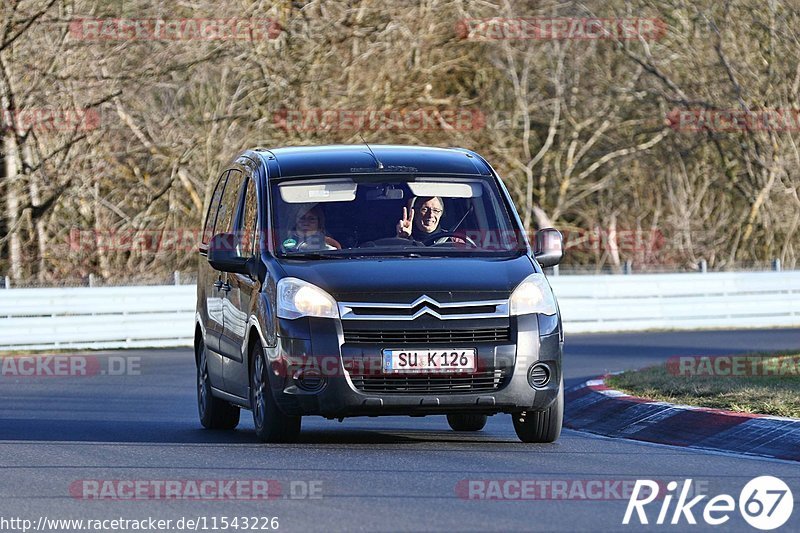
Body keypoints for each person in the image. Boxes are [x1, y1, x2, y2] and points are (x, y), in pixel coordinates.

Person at [396, 196, 460, 244]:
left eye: (436, 210)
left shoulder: (453, 241)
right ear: (415, 212)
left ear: (441, 214)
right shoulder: (404, 238)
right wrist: (402, 239)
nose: (430, 215)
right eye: (424, 209)